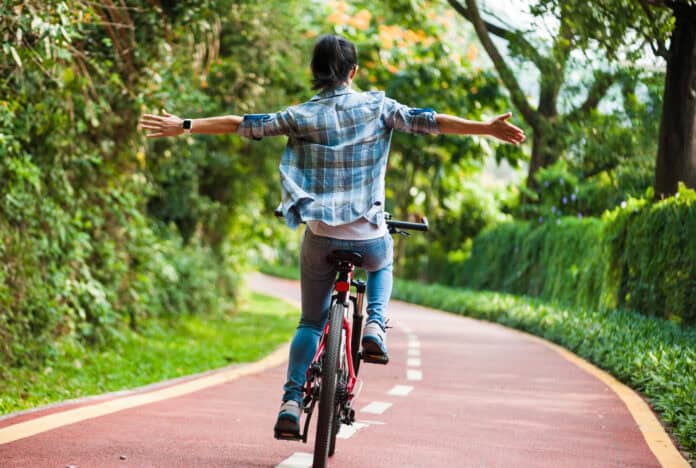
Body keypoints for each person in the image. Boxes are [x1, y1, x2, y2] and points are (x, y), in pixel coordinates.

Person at [139, 34, 525, 438]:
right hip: (369, 233)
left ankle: (290, 400)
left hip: (321, 235)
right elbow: (431, 121)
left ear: (314, 73)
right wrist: (486, 127)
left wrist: (182, 125)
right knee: (383, 258)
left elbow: (242, 124)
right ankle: (375, 324)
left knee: (310, 321)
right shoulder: (378, 106)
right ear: (353, 72)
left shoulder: (299, 115)